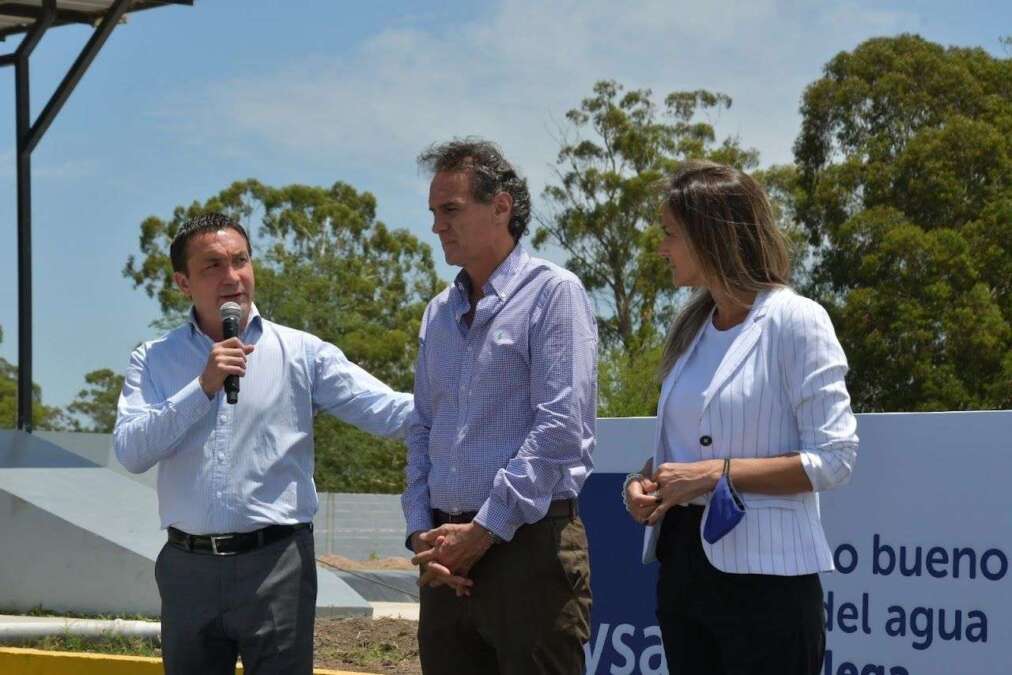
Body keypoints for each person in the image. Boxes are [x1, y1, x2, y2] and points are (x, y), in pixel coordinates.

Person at [114, 213, 413, 675]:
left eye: (241, 261)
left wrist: (476, 407)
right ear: (182, 282)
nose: (232, 277)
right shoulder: (154, 359)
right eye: (212, 265)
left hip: (277, 566)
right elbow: (132, 452)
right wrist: (204, 386)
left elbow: (390, 412)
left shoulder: (302, 352)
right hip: (187, 568)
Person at [623, 161, 858, 674]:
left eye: (670, 234)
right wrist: (644, 484)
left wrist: (713, 475)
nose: (662, 248)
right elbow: (684, 451)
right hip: (683, 569)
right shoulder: (689, 328)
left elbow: (834, 460)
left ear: (712, 237)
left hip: (768, 585)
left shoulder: (797, 320)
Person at [403, 138, 597, 674]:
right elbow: (422, 427)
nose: (437, 226)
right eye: (434, 213)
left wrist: (485, 530)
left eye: (451, 210)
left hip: (529, 553)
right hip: (444, 562)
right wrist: (422, 532)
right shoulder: (436, 314)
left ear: (502, 206)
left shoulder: (554, 294)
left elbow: (561, 427)